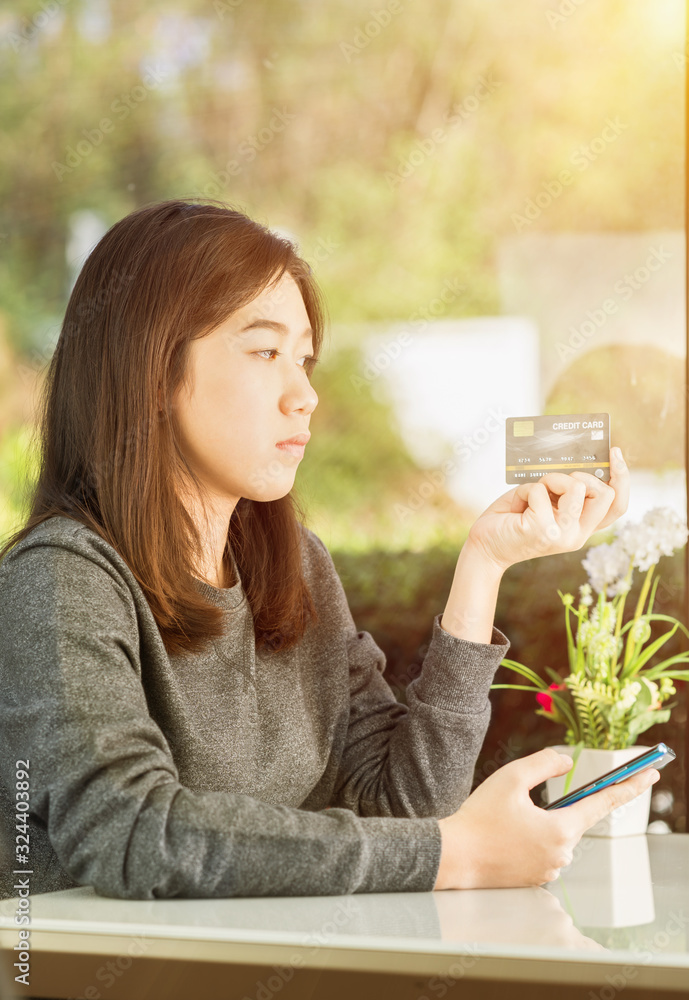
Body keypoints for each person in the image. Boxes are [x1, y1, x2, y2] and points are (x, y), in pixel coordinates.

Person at [0, 199, 658, 902]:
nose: (304, 394)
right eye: (264, 352)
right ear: (153, 372)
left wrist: (485, 563)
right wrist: (454, 856)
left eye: (304, 359)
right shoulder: (60, 579)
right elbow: (129, 836)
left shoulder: (295, 566)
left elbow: (404, 806)